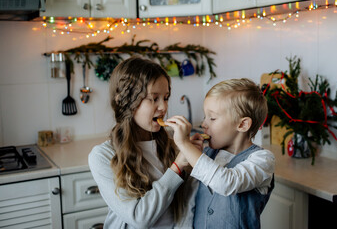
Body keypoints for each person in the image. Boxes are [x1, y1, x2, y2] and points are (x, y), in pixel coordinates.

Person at [88, 56, 192, 229]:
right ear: (124, 100)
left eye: (166, 98)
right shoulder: (103, 156)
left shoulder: (173, 146)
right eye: (154, 98)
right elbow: (138, 218)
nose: (163, 107)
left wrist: (192, 153)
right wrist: (177, 167)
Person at [166, 78, 275, 229]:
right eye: (205, 117)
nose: (204, 124)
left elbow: (226, 183)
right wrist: (189, 159)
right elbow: (189, 200)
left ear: (242, 124)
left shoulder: (262, 160)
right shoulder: (208, 153)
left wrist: (184, 145)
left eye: (212, 118)